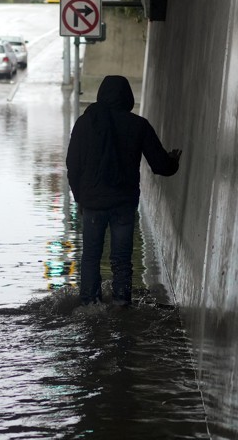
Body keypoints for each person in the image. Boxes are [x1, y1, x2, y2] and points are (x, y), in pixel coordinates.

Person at [66, 75, 182, 307]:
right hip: (123, 204)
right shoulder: (138, 125)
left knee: (90, 257)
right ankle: (121, 305)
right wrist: (173, 161)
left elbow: (73, 164)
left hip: (92, 204)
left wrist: (80, 198)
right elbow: (160, 166)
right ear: (128, 96)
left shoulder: (85, 123)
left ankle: (90, 304)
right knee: (121, 259)